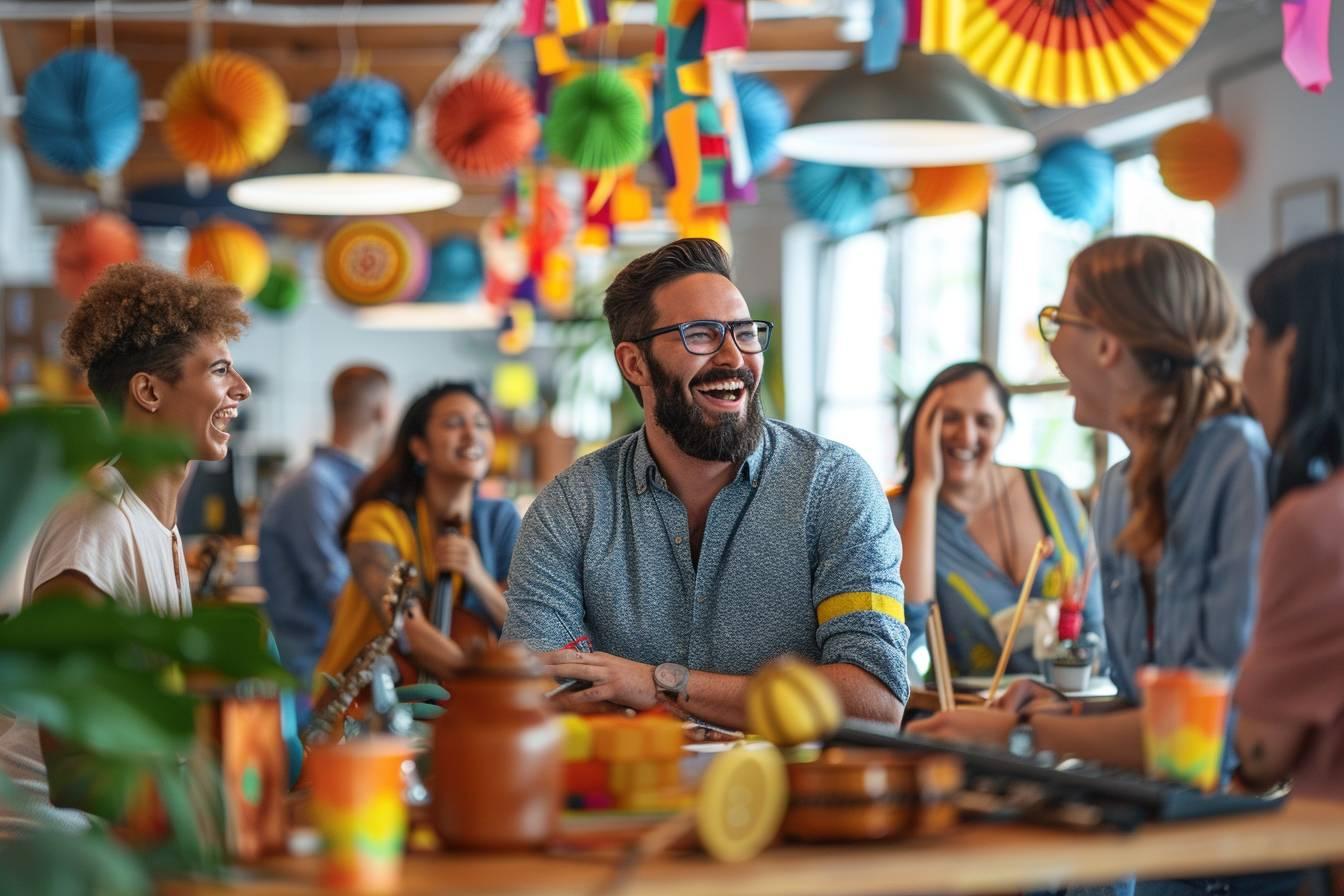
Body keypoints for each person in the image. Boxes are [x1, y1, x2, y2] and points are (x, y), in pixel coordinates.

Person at [910, 236, 1283, 895]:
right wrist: (1068, 712)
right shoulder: (1115, 491)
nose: (1050, 345)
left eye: (1059, 321)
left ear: (1107, 344)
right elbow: (1149, 703)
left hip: (1236, 851)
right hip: (1150, 841)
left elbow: (1211, 740)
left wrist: (1022, 732)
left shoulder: (1234, 460)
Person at [502, 237, 909, 730]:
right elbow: (540, 690)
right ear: (634, 364)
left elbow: (875, 695)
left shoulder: (832, 485)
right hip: (630, 797)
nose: (733, 358)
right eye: (700, 335)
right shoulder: (571, 508)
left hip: (798, 799)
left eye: (744, 333)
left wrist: (656, 682)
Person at [0, 261, 251, 832]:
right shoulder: (97, 526)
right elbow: (76, 770)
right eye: (219, 371)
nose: (242, 388)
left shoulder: (153, 522)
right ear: (149, 391)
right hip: (52, 847)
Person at [892, 361, 1104, 681]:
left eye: (984, 421)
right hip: (966, 718)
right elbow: (906, 631)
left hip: (1074, 705)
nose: (966, 435)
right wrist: (924, 487)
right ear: (922, 425)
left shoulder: (1049, 490)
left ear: (1004, 426)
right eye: (949, 418)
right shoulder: (898, 515)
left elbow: (1097, 623)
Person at [1234, 233, 1344, 804]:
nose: (1243, 370)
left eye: (1252, 341)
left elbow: (1259, 750)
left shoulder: (1316, 522)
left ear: (1288, 349)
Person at [314, 382, 519, 688]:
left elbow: (528, 628)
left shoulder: (501, 520)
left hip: (449, 704)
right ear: (420, 447)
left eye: (481, 424)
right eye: (453, 423)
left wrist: (477, 575)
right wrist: (480, 684)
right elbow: (406, 627)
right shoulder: (378, 520)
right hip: (363, 701)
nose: (471, 434)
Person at [260, 365, 393, 695]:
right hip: (312, 676)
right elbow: (341, 595)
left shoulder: (346, 485)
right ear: (383, 412)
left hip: (336, 666)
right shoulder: (315, 488)